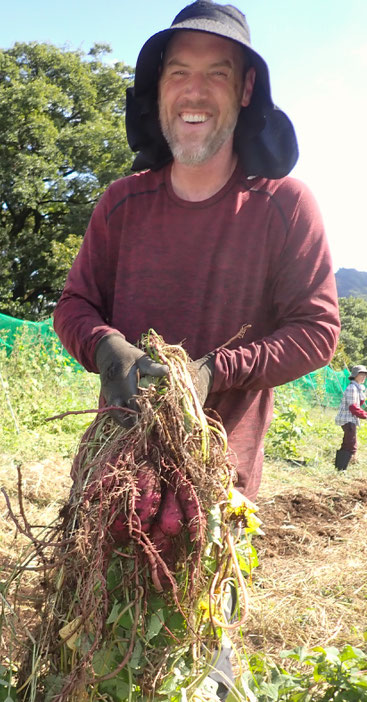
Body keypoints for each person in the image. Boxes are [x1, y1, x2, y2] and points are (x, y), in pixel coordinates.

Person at [53, 1, 340, 697]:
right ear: (156, 92)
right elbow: (74, 307)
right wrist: (108, 349)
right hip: (111, 487)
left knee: (194, 668)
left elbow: (317, 330)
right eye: (177, 71)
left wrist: (212, 373)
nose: (194, 89)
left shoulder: (281, 205)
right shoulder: (121, 204)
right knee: (89, 661)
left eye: (216, 73)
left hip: (213, 496)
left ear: (244, 90)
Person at [334, 364, 367, 470]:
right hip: (347, 419)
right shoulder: (352, 388)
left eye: (364, 375)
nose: (363, 377)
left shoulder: (357, 388)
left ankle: (340, 467)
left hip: (350, 419)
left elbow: (358, 403)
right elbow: (353, 407)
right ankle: (341, 468)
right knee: (350, 443)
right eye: (361, 375)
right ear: (355, 375)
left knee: (348, 441)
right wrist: (365, 415)